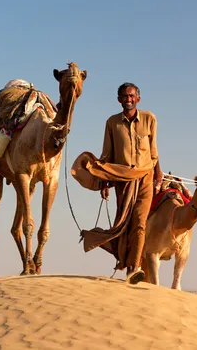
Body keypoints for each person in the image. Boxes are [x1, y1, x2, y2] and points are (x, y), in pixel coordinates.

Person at [71, 82, 163, 285]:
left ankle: (134, 269)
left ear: (138, 98)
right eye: (124, 96)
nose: (128, 99)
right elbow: (107, 156)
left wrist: (158, 175)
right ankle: (95, 238)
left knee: (139, 223)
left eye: (131, 96)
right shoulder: (112, 123)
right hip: (122, 180)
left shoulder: (149, 119)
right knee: (123, 224)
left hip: (145, 177)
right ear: (119, 100)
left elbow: (154, 152)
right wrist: (104, 184)